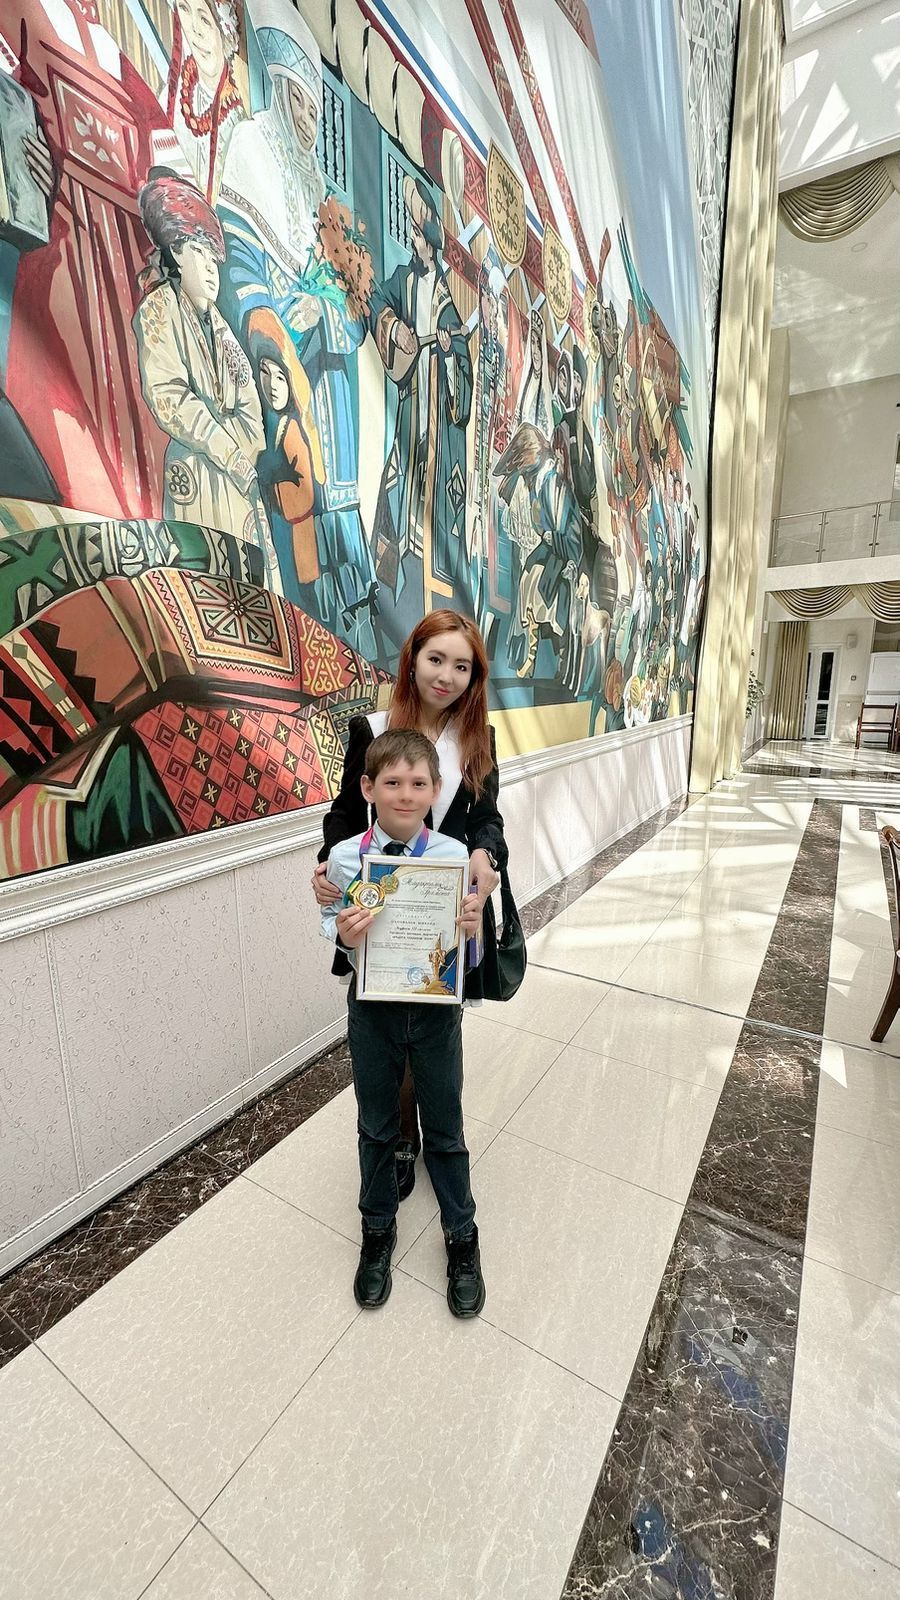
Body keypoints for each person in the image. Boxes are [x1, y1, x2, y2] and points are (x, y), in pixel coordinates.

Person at [312, 610, 505, 1198]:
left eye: (462, 666)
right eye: (436, 659)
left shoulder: (476, 739)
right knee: (386, 1026)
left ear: (474, 677)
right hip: (381, 905)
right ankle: (399, 1137)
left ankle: (435, 1131)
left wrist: (485, 855)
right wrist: (326, 866)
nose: (446, 676)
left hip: (446, 906)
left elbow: (487, 818)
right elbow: (347, 811)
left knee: (433, 1024)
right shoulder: (372, 729)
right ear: (413, 659)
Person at [320, 728, 486, 1317]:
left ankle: (461, 1237)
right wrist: (342, 932)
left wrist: (471, 931)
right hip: (373, 1012)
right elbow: (330, 923)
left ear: (436, 790)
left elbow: (468, 952)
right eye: (392, 782)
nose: (406, 795)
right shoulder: (346, 858)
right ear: (368, 787)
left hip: (436, 1012)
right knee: (376, 1126)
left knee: (445, 1126)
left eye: (418, 783)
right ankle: (376, 1232)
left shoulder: (452, 857)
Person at [133, 170, 278, 584]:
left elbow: (250, 403)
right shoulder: (159, 310)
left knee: (249, 587)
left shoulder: (222, 329)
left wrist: (241, 454)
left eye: (215, 258)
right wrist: (225, 448)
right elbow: (169, 396)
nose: (212, 269)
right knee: (198, 586)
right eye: (200, 252)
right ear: (177, 253)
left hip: (238, 480)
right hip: (195, 473)